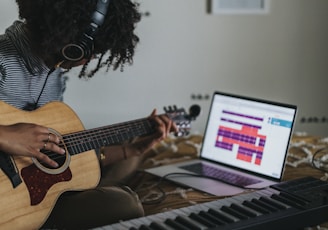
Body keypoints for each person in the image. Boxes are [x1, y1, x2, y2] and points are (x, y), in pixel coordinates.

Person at [0, 0, 177, 229]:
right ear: (76, 44)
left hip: (36, 195)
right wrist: (7, 136)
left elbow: (60, 153)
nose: (92, 58)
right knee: (126, 205)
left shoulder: (54, 76)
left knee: (127, 150)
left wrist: (131, 150)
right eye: (96, 51)